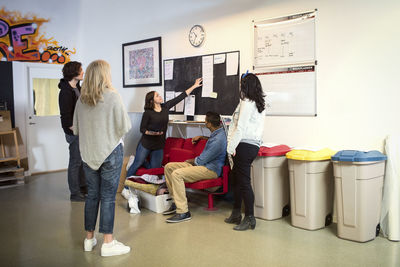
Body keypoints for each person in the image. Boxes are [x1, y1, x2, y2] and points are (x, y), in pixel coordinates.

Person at [73, 60, 132, 257]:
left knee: (92, 195)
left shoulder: (81, 100)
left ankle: (89, 239)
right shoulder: (113, 96)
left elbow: (76, 129)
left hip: (88, 153)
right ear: (105, 75)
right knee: (108, 197)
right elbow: (124, 126)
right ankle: (108, 242)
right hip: (110, 153)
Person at [122, 78, 203, 199]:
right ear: (152, 100)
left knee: (155, 170)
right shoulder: (148, 112)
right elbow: (142, 129)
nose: (160, 97)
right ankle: (126, 187)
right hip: (146, 143)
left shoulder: (165, 107)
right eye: (157, 96)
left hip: (159, 145)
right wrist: (152, 133)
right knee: (137, 163)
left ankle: (150, 189)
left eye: (159, 95)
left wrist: (194, 85)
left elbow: (180, 97)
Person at [162, 111, 227, 223]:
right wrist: (202, 137)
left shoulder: (219, 139)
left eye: (205, 121)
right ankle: (176, 202)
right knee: (168, 167)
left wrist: (189, 161)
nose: (205, 122)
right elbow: (211, 144)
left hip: (210, 170)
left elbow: (201, 161)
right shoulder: (217, 133)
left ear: (209, 124)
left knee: (177, 174)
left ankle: (183, 212)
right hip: (203, 165)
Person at [225, 72, 266, 231]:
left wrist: (230, 148)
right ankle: (236, 213)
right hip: (253, 145)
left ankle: (249, 218)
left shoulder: (247, 103)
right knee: (237, 180)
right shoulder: (259, 103)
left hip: (243, 145)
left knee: (243, 183)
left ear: (245, 86)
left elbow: (240, 128)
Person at [58, 61, 87, 202]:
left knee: (81, 161)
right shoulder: (65, 91)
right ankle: (75, 193)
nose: (83, 72)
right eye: (81, 70)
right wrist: (75, 130)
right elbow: (66, 117)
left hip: (81, 130)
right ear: (73, 72)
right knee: (75, 162)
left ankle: (82, 188)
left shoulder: (77, 88)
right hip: (74, 132)